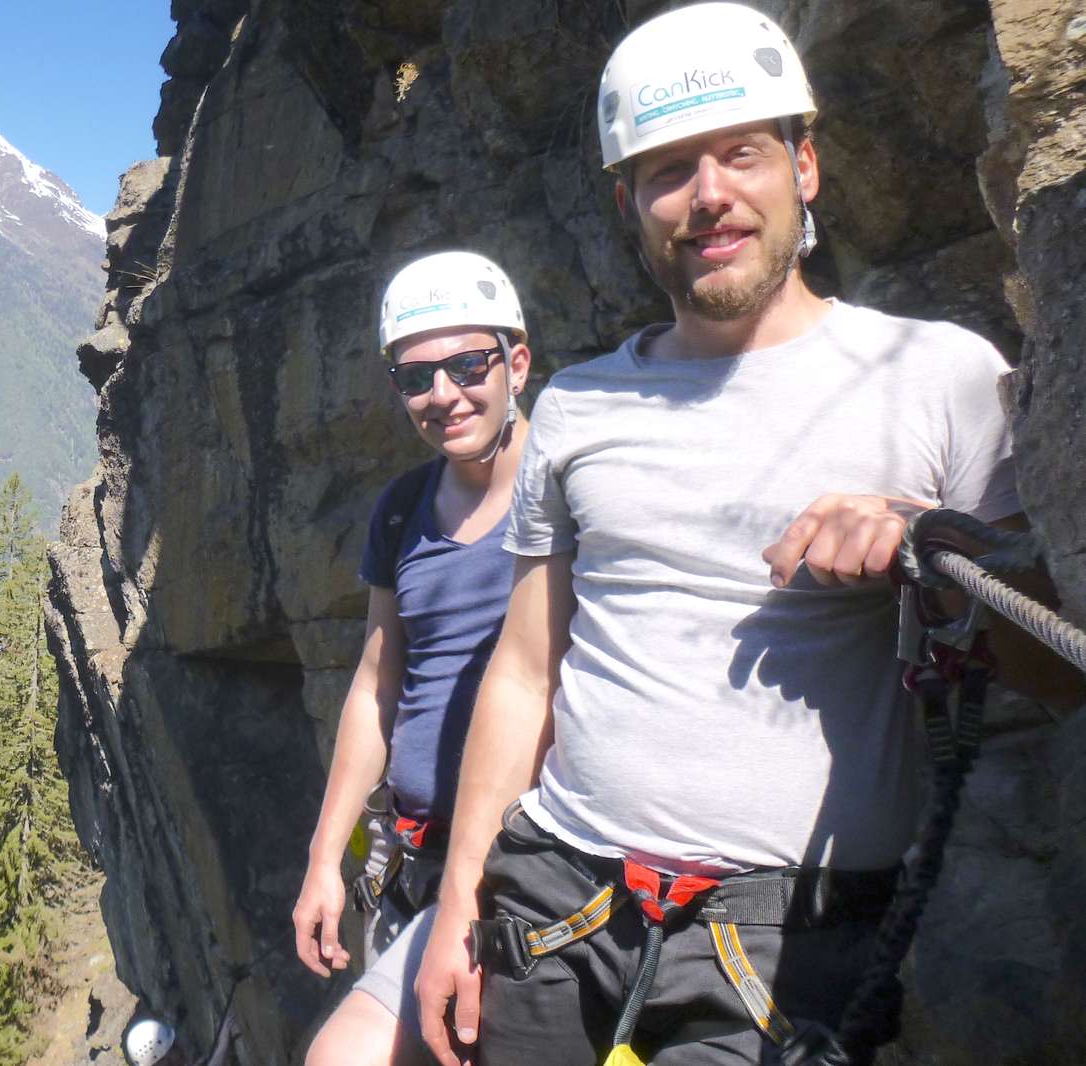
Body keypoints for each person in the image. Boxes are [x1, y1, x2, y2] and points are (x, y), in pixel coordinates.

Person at [411, 4, 1080, 1064]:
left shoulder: (940, 374)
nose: (708, 195)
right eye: (666, 169)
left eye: (740, 153)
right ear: (627, 202)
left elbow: (1056, 668)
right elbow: (525, 669)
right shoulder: (578, 408)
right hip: (553, 901)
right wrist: (457, 905)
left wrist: (930, 542)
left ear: (803, 167)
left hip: (790, 936)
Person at [293, 251, 532, 1066]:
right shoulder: (404, 511)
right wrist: (327, 858)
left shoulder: (569, 488)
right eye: (416, 376)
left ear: (517, 361)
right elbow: (377, 682)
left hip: (532, 871)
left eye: (468, 364)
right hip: (416, 862)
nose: (443, 394)